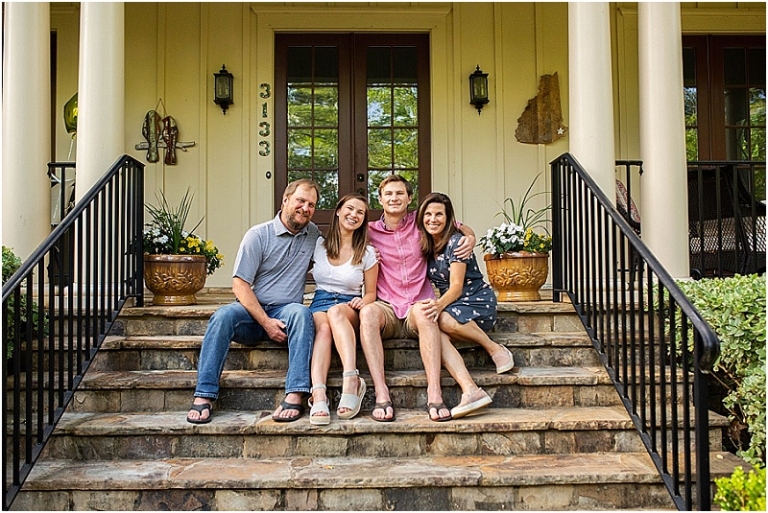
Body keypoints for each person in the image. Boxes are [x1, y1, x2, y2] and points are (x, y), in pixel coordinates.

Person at [186, 179, 321, 424]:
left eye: (311, 204)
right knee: (222, 316)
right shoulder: (258, 235)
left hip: (286, 313)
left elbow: (338, 254)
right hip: (251, 313)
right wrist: (266, 322)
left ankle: (296, 393)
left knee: (302, 314)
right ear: (285, 200)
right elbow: (239, 284)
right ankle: (204, 394)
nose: (305, 208)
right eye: (301, 200)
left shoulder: (313, 235)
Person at [359, 175, 492, 422]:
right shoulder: (369, 231)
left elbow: (456, 225)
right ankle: (381, 393)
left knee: (427, 310)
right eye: (388, 194)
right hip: (386, 305)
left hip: (417, 304)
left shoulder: (421, 223)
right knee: (367, 313)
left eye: (400, 193)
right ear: (380, 199)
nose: (394, 198)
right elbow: (341, 237)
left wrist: (471, 237)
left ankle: (434, 393)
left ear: (410, 198)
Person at [416, 193, 516, 412]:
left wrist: (437, 306)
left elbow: (456, 287)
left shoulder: (456, 242)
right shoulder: (427, 243)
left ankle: (494, 348)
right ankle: (471, 390)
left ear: (449, 218)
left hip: (475, 300)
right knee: (437, 336)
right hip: (454, 305)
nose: (433, 219)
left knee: (440, 319)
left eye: (439, 214)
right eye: (429, 214)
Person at [307, 193, 379, 425]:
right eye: (350, 209)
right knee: (324, 330)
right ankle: (318, 393)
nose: (354, 215)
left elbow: (370, 292)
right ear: (338, 211)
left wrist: (365, 301)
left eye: (360, 212)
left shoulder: (367, 252)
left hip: (349, 304)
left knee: (336, 313)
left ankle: (351, 379)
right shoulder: (318, 244)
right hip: (320, 301)